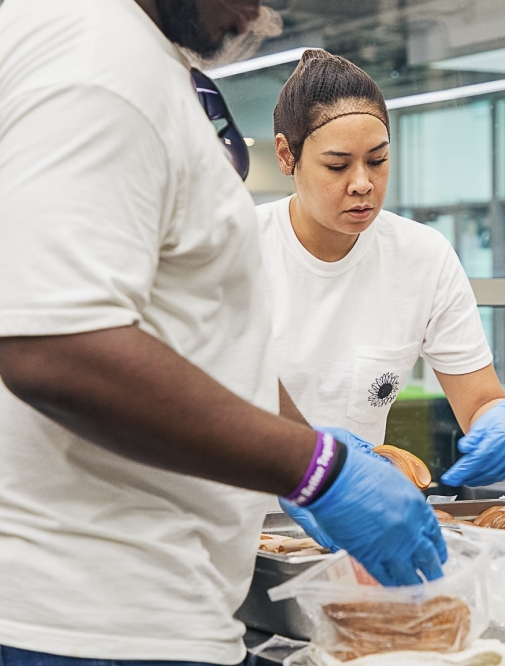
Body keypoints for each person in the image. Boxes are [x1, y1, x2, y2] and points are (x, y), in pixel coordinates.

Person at [0, 0, 443, 663]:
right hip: (97, 615)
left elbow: (196, 335)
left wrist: (309, 442)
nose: (261, 13)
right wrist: (313, 468)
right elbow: (55, 347)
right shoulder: (100, 64)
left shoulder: (125, 56)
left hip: (137, 603)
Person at [257, 51, 505, 490]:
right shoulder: (238, 250)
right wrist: (311, 456)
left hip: (360, 513)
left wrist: (494, 420)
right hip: (242, 515)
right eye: (338, 165)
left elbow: (479, 399)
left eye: (378, 161)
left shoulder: (423, 256)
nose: (362, 182)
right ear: (287, 156)